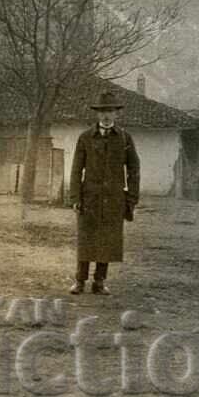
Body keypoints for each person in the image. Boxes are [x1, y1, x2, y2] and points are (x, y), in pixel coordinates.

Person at [68, 90, 140, 295]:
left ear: (116, 113)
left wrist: (131, 197)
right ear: (97, 114)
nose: (106, 115)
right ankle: (80, 281)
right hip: (89, 197)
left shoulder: (125, 138)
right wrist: (75, 197)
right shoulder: (85, 138)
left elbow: (134, 168)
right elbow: (76, 169)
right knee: (86, 239)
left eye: (110, 111)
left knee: (107, 240)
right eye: (102, 112)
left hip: (114, 198)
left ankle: (99, 282)